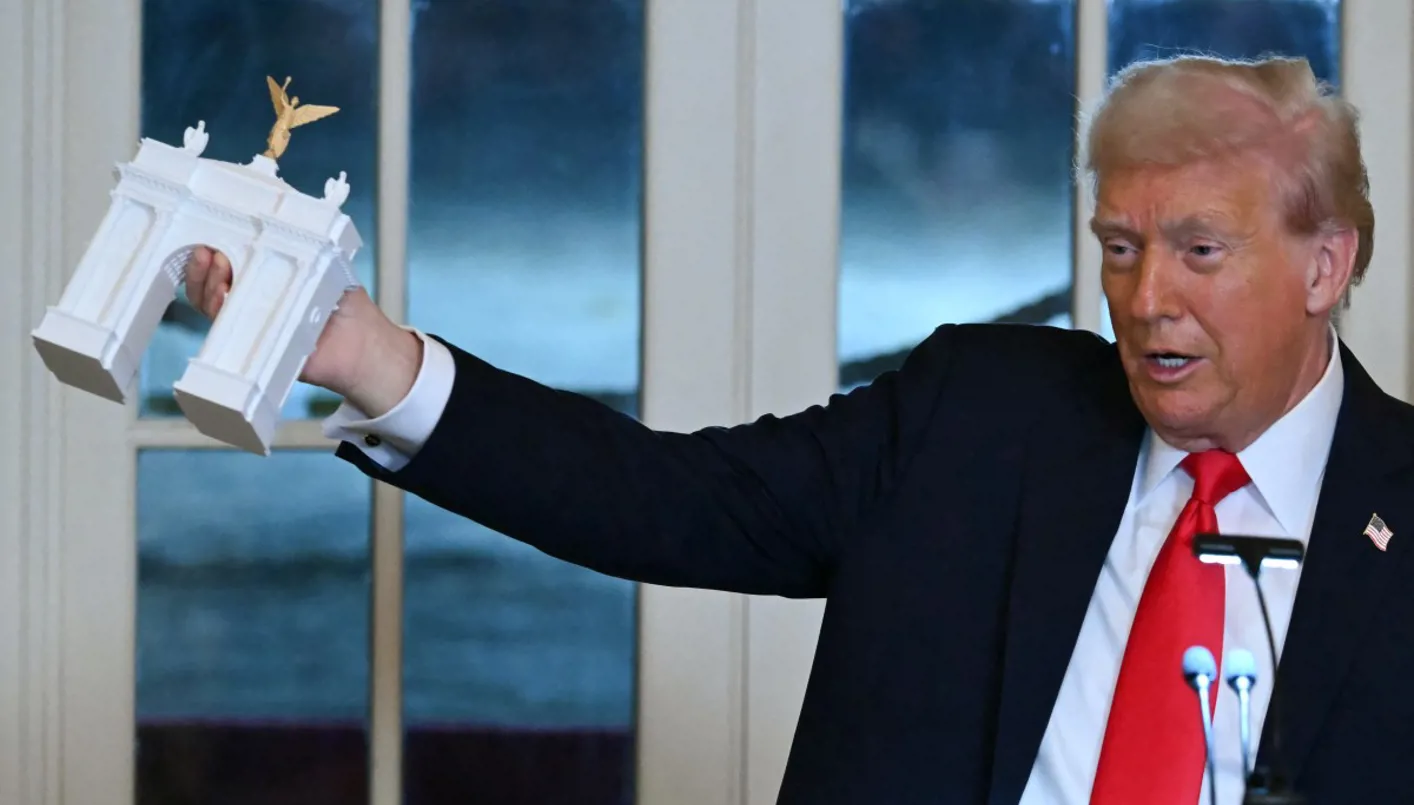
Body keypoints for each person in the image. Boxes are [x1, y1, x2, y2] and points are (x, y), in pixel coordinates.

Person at [184, 54, 1414, 805]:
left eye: (1199, 251)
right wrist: (368, 355)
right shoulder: (977, 420)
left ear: (1324, 264)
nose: (1145, 300)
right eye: (1121, 249)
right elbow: (661, 497)